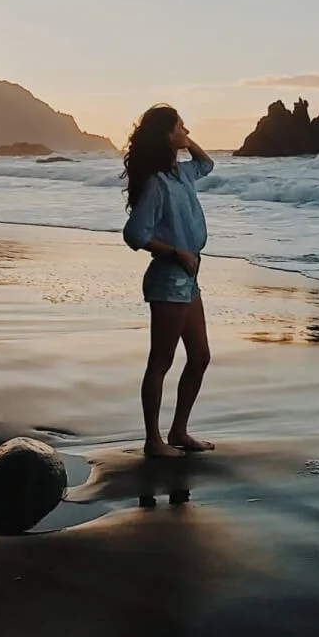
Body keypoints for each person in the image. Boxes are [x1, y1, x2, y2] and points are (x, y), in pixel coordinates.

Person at [121, 105, 215, 458]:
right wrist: (176, 252)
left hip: (188, 277)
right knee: (161, 361)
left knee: (200, 356)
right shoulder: (158, 183)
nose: (186, 129)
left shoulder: (179, 174)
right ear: (165, 134)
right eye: (180, 126)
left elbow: (207, 165)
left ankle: (178, 431)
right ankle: (153, 441)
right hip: (169, 277)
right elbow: (135, 234)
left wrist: (185, 141)